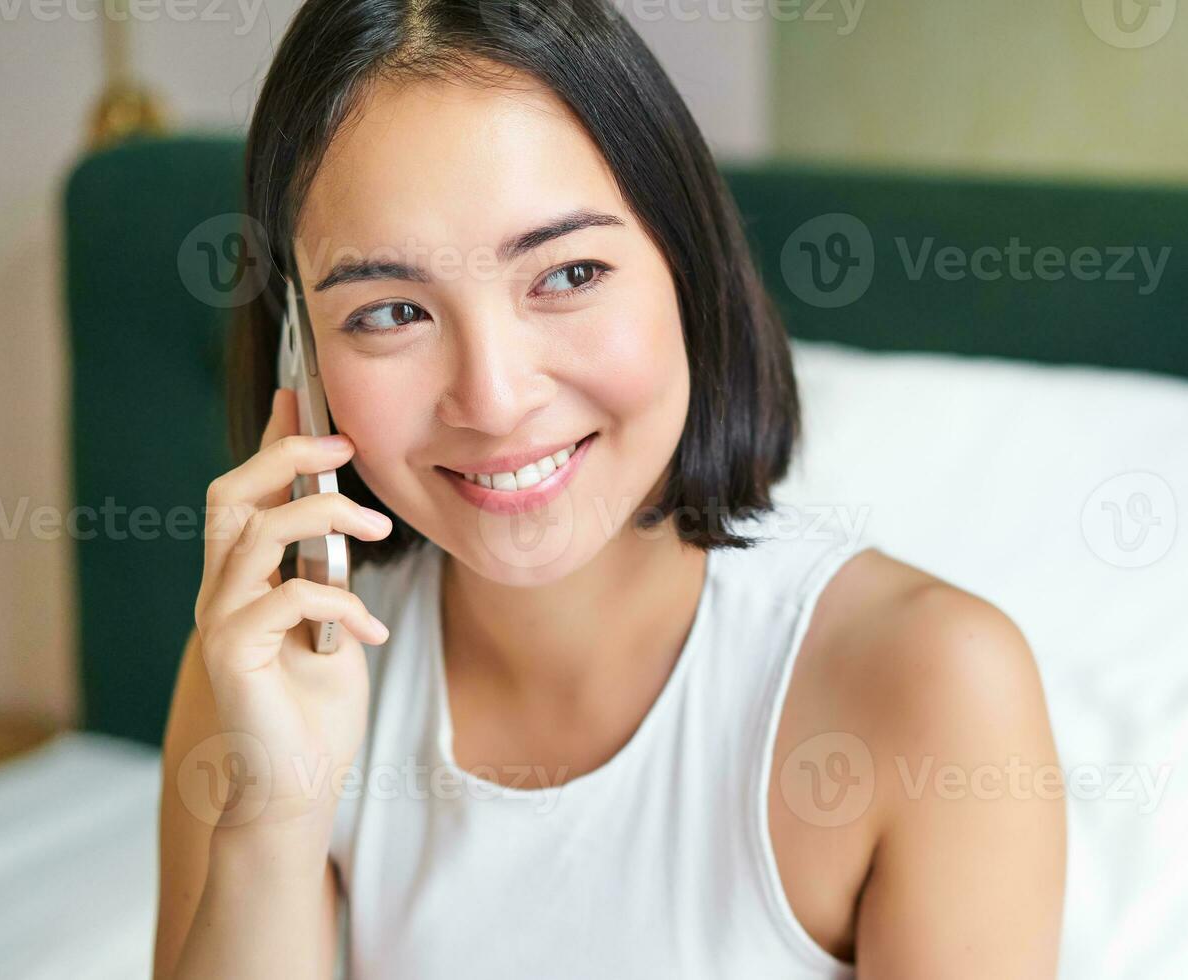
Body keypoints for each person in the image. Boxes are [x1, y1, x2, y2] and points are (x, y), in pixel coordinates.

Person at [153, 2, 1063, 976]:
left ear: (686, 264)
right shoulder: (264, 675)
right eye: (391, 310)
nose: (494, 400)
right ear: (304, 351)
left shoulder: (931, 683)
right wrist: (273, 818)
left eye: (568, 272)